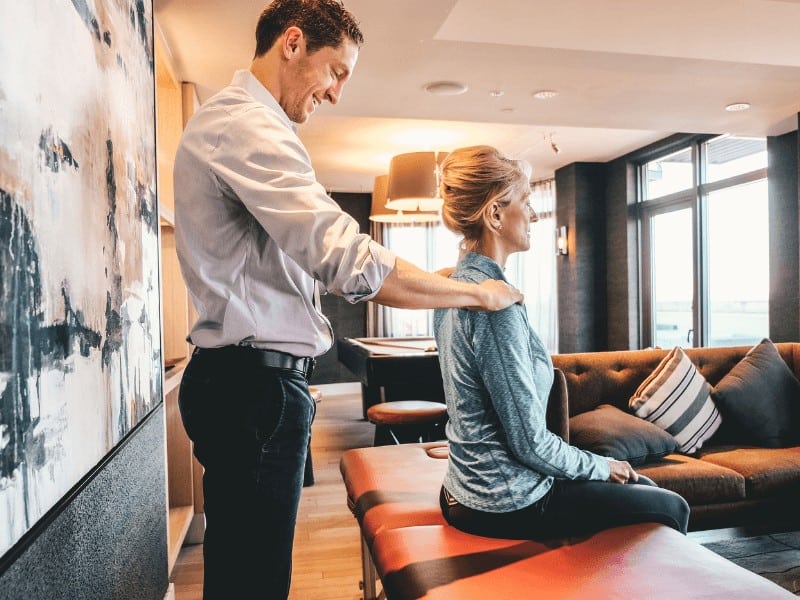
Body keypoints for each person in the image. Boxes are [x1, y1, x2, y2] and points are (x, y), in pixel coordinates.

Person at [172, 2, 522, 599]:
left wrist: (440, 279)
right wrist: (475, 294)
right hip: (251, 391)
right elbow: (346, 260)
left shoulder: (245, 127)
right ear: (292, 43)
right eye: (336, 71)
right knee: (254, 584)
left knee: (243, 576)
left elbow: (307, 265)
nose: (336, 93)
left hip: (244, 386)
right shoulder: (246, 127)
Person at [434, 145, 690, 542]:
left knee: (646, 491)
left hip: (463, 490)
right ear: (495, 214)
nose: (534, 214)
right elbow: (529, 445)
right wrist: (605, 466)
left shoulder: (450, 287)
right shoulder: (494, 307)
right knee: (671, 505)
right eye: (526, 200)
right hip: (506, 500)